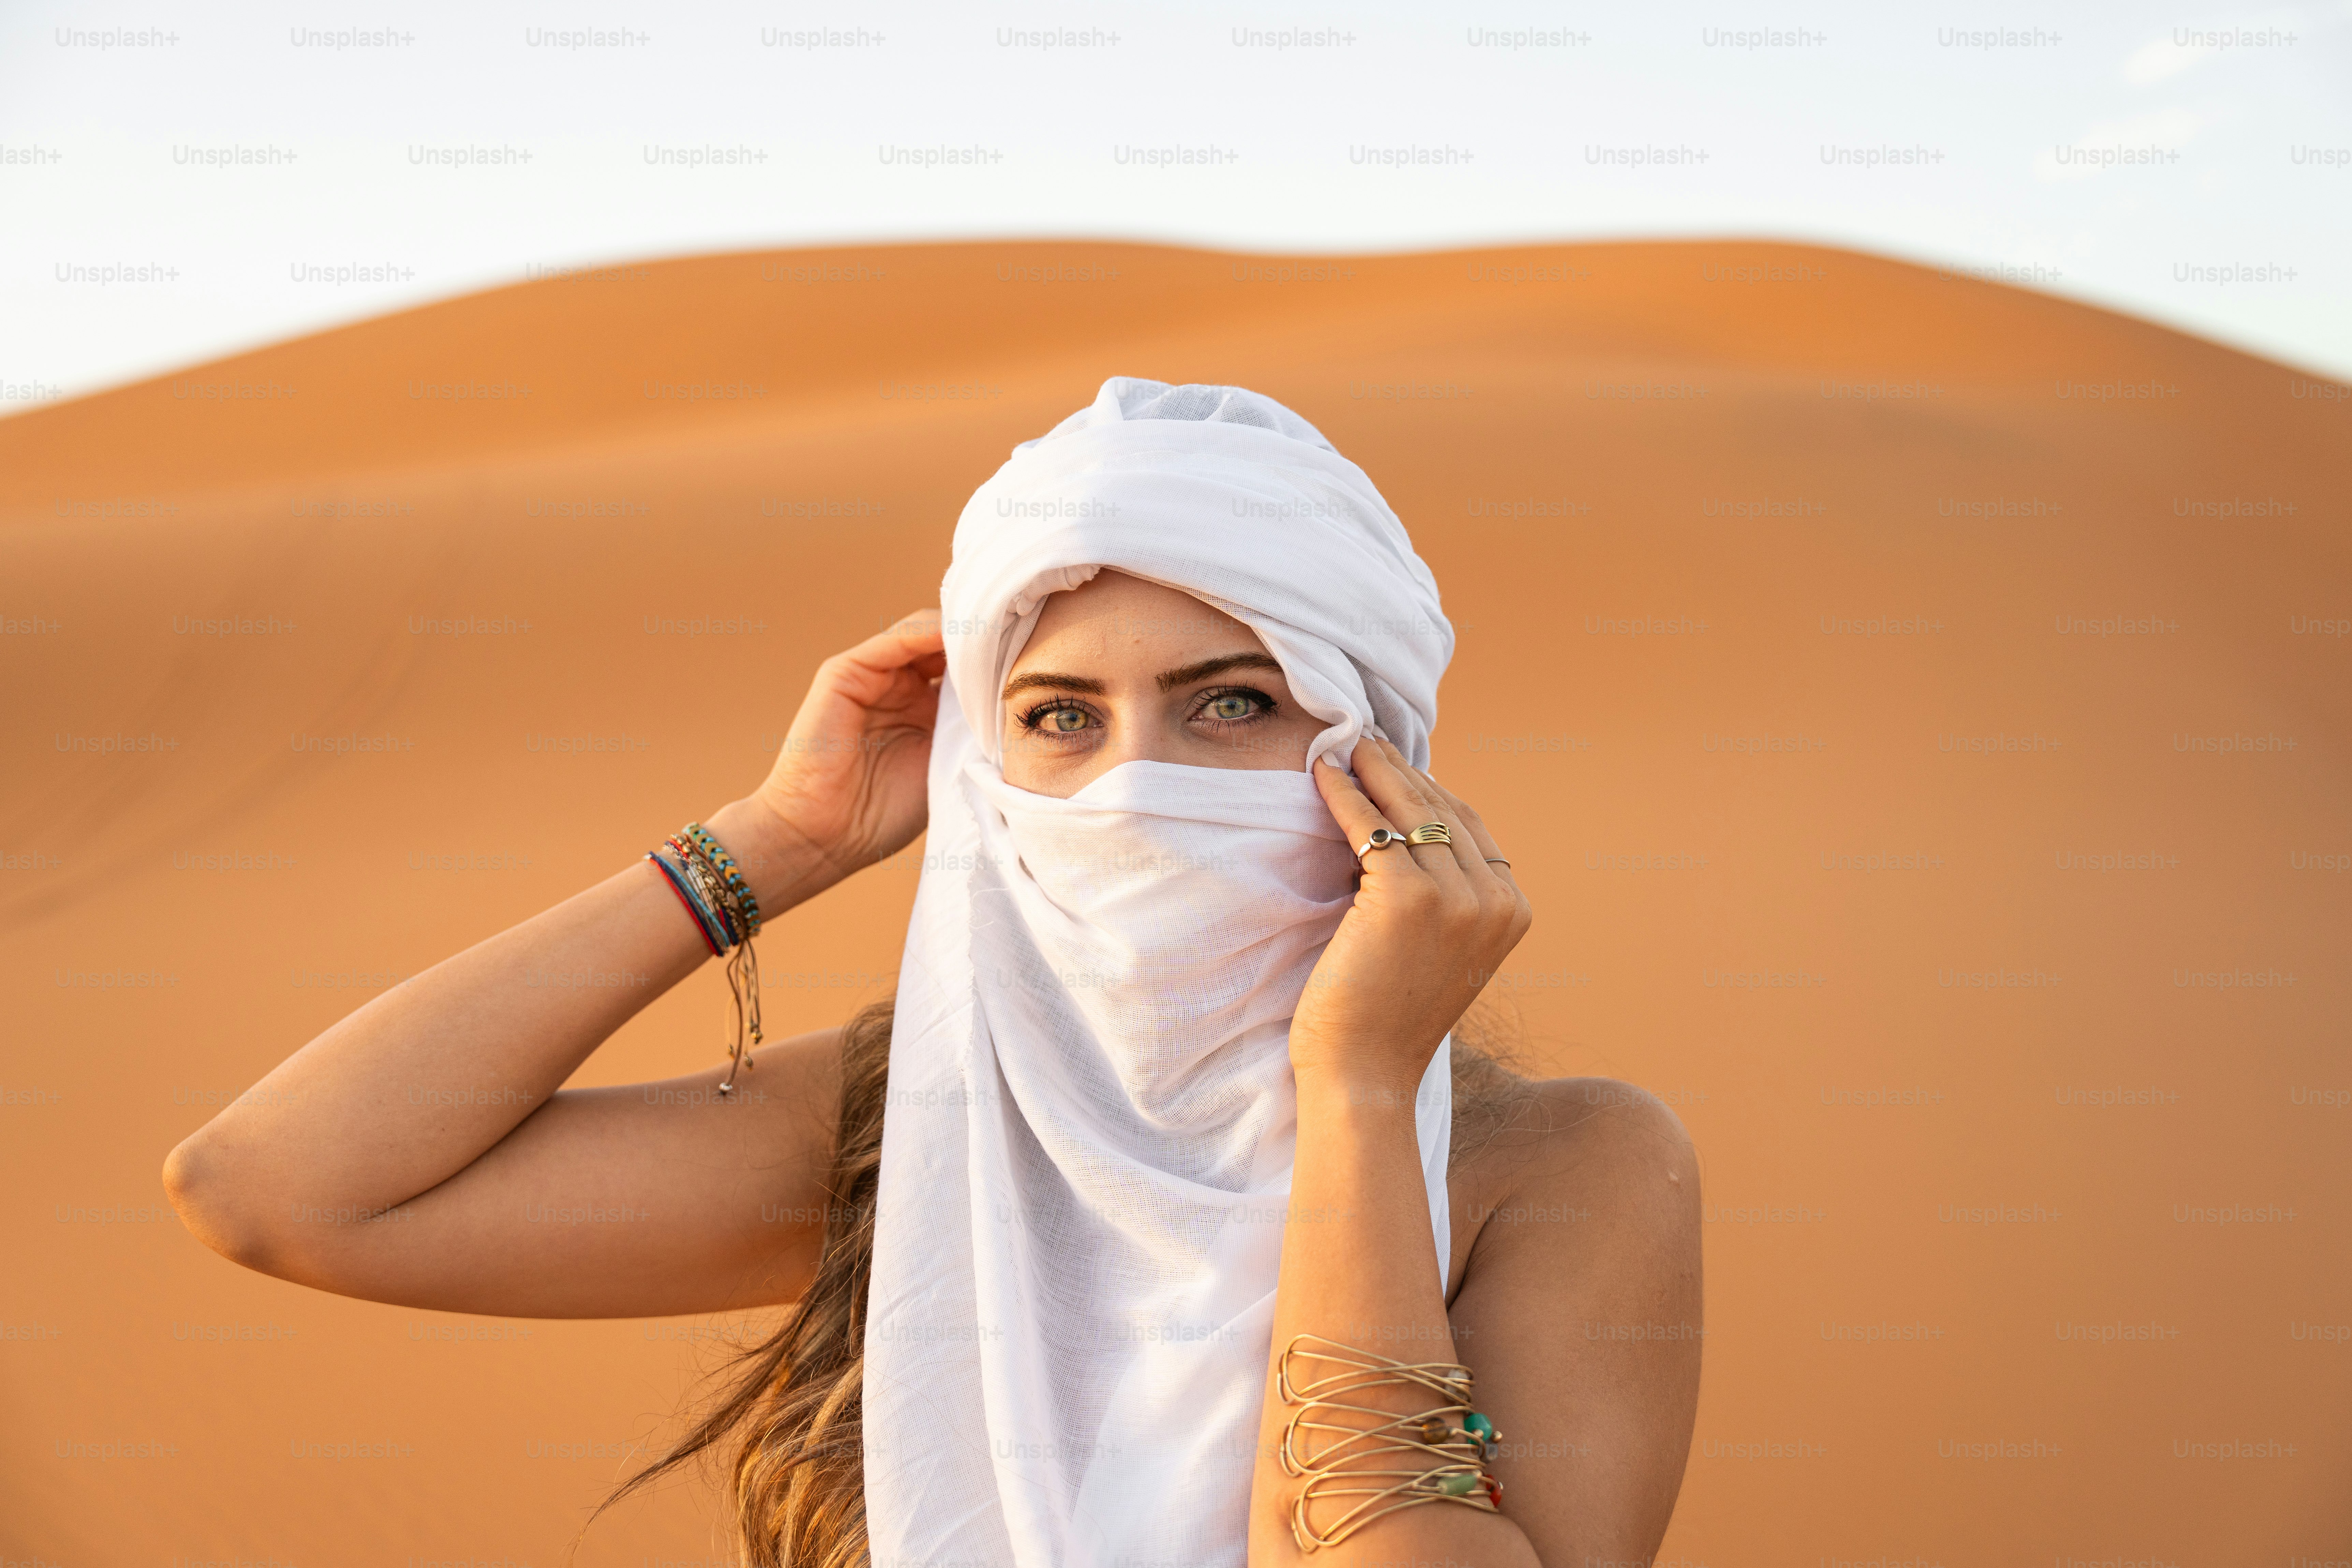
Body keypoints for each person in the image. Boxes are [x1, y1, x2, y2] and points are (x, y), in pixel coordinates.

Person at [164, 379, 1703, 1567]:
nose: (1131, 784)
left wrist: (1357, 1091)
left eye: (1231, 703)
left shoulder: (1561, 1168)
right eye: (1058, 718)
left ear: (1376, 751)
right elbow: (281, 1187)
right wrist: (775, 841)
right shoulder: (930, 1119)